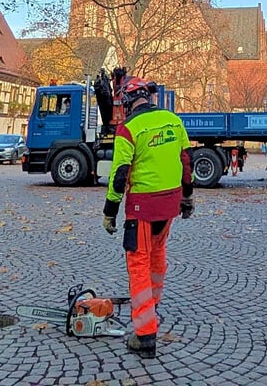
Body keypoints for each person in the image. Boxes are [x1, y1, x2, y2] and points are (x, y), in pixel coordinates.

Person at [101, 76, 194, 359]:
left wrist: (109, 212)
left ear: (128, 103)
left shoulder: (128, 129)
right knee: (157, 257)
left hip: (141, 208)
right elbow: (186, 161)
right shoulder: (173, 121)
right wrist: (187, 198)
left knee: (139, 265)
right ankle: (153, 307)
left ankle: (144, 335)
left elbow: (119, 176)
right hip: (169, 207)